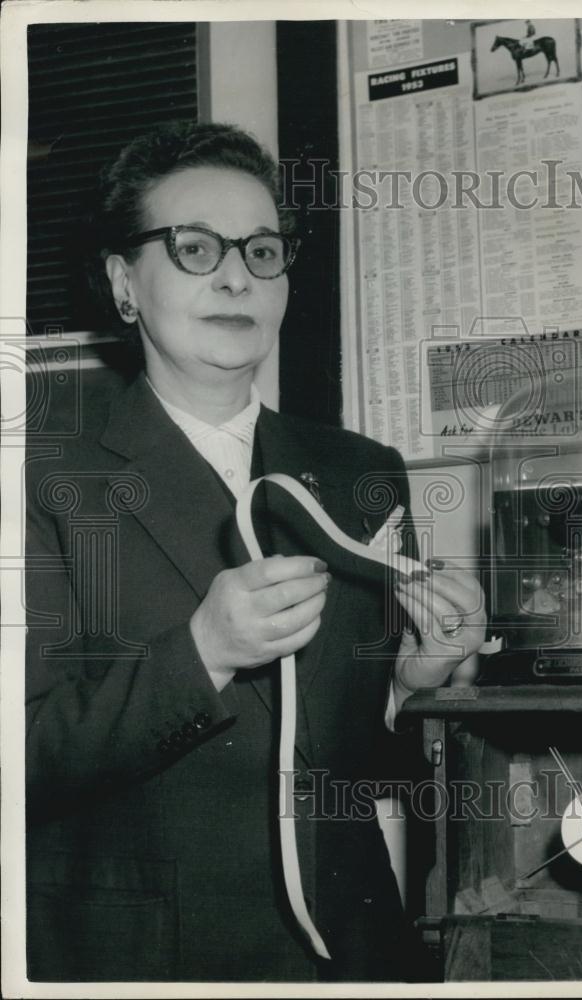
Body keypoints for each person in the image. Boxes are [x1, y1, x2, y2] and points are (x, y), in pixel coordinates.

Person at [25, 121, 486, 983]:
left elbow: (349, 750)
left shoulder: (361, 473)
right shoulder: (43, 474)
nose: (236, 275)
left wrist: (411, 681)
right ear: (125, 283)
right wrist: (202, 654)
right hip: (146, 955)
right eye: (194, 248)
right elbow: (23, 759)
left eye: (262, 251)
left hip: (350, 950)